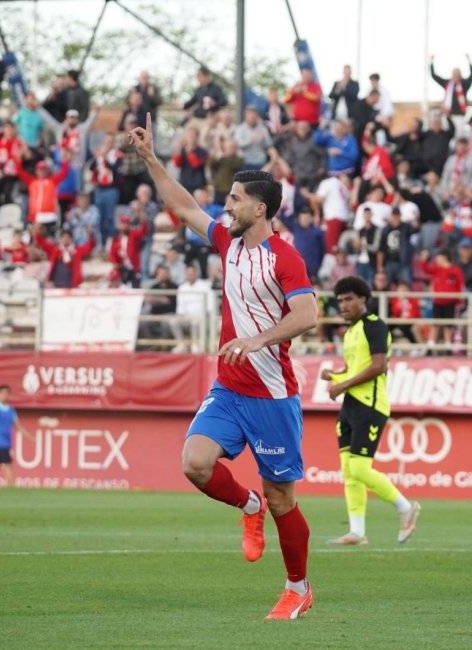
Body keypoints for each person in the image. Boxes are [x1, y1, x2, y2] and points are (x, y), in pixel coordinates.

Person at [128, 113, 317, 619]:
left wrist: (258, 338)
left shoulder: (285, 258)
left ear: (260, 207)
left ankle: (298, 588)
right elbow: (181, 204)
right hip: (229, 391)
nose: (225, 205)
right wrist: (149, 157)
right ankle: (247, 507)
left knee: (284, 499)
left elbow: (307, 314)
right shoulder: (225, 242)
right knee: (194, 463)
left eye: (234, 200)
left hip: (273, 398)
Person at [321, 276, 420, 545]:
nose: (343, 305)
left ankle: (405, 507)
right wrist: (336, 376)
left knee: (360, 468)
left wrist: (342, 386)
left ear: (363, 299)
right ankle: (357, 532)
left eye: (349, 299)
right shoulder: (351, 332)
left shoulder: (374, 326)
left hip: (370, 405)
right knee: (348, 470)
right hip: (351, 406)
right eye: (340, 300)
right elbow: (354, 369)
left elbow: (379, 366)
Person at [0, 385, 31, 487]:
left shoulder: (11, 410)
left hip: (7, 442)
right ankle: (12, 487)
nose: (5, 395)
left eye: (7, 393)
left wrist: (29, 437)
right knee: (7, 465)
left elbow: (17, 426)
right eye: (2, 393)